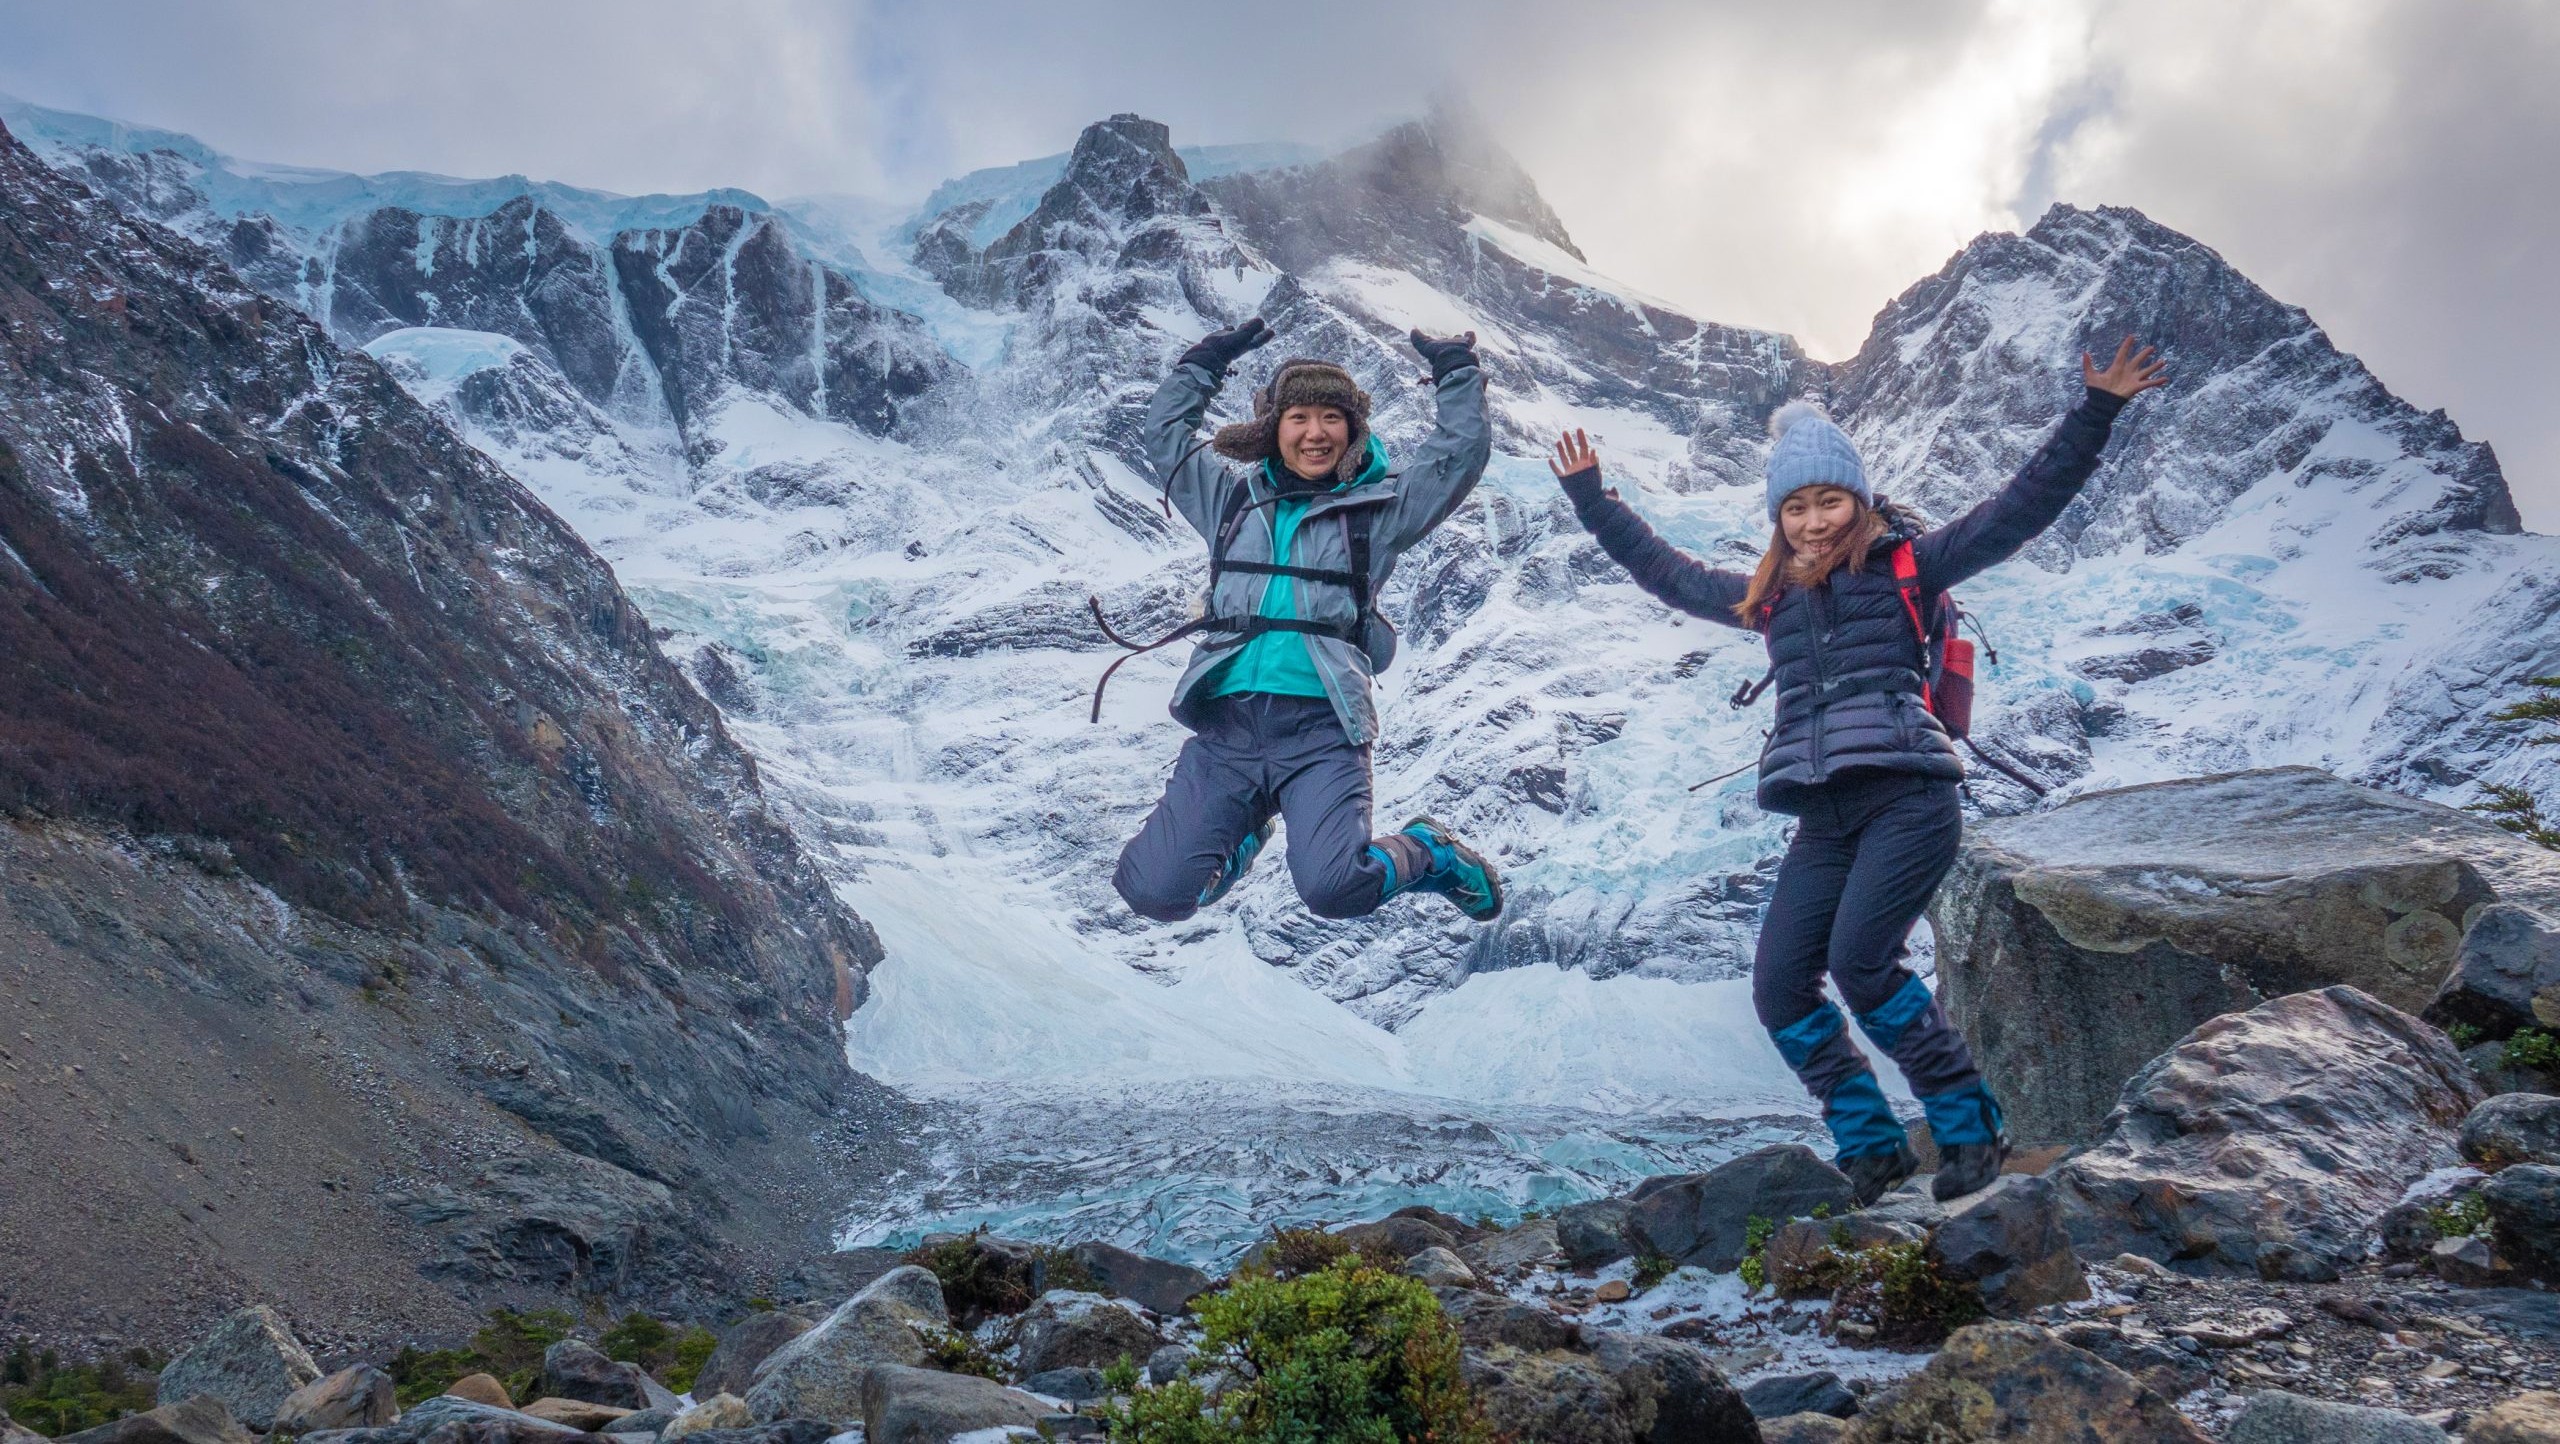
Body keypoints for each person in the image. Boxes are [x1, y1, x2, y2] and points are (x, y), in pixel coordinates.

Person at [1546, 337, 2170, 1203]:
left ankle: (1965, 1127)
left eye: (1828, 500)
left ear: (1860, 502)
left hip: (1909, 797)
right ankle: (1871, 1147)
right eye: (1795, 507)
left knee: (1862, 963)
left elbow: (2023, 506)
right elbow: (1668, 573)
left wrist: (2096, 409)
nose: (1812, 521)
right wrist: (1592, 501)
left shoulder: (1913, 570)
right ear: (1779, 518)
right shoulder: (1770, 601)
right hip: (1824, 814)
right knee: (1778, 987)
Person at [1110, 316, 1505, 925]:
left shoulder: (1381, 510)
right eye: (1299, 418)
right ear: (1275, 430)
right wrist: (1203, 363)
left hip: (1323, 729)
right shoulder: (1232, 502)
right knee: (1152, 892)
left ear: (1352, 430)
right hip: (1228, 729)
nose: (1315, 433)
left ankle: (1429, 851)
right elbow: (1165, 437)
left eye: (1331, 418)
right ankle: (1240, 842)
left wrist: (1455, 371)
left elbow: (1459, 456)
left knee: (1335, 889)